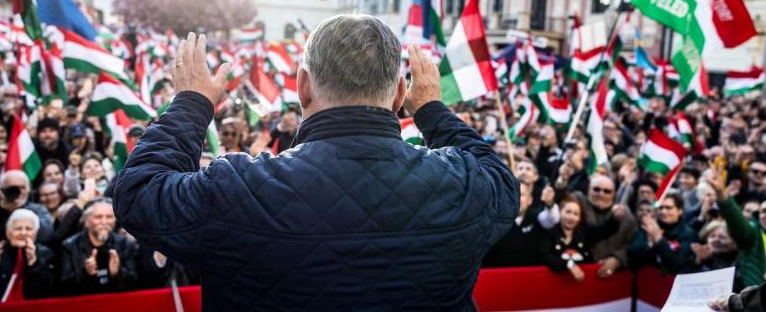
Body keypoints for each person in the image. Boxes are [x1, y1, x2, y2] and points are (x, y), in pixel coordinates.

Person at [114, 20, 519, 311]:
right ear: (400, 93)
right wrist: (431, 107)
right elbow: (501, 179)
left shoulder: (240, 187)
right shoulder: (464, 186)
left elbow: (139, 193)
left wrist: (192, 102)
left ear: (302, 86)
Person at [0, 209, 55, 302]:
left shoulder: (46, 253)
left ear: (35, 233)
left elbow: (45, 292)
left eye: (28, 229)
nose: (23, 233)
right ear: (8, 233)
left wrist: (33, 263)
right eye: (18, 229)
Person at [60, 199, 137, 295]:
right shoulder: (69, 246)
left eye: (109, 217)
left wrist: (118, 272)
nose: (104, 222)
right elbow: (63, 287)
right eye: (98, 217)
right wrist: (86, 273)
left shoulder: (125, 244)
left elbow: (136, 282)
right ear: (87, 221)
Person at [538, 196, 622, 282]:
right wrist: (569, 265)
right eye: (568, 212)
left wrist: (616, 216)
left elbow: (605, 230)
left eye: (576, 214)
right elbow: (545, 257)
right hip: (556, 284)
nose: (571, 217)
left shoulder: (584, 232)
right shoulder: (549, 233)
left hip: (584, 283)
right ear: (560, 212)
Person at [0, 170, 54, 252]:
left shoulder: (37, 209)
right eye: (12, 188)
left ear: (28, 190)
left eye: (22, 187)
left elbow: (47, 235)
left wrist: (22, 209)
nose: (18, 192)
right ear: (2, 190)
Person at [628, 192, 697, 274]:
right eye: (660, 208)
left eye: (669, 208)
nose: (663, 211)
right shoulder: (650, 227)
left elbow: (678, 263)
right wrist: (649, 245)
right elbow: (631, 251)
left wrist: (658, 239)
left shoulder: (688, 234)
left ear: (680, 211)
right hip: (649, 279)